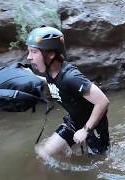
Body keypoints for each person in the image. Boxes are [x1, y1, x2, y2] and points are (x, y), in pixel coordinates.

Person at [26, 26, 110, 160]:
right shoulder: (50, 71)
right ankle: (70, 167)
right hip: (74, 121)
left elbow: (103, 101)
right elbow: (56, 83)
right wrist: (34, 78)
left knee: (99, 162)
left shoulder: (71, 77)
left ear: (51, 54)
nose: (29, 57)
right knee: (45, 153)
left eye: (34, 52)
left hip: (94, 126)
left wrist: (85, 130)